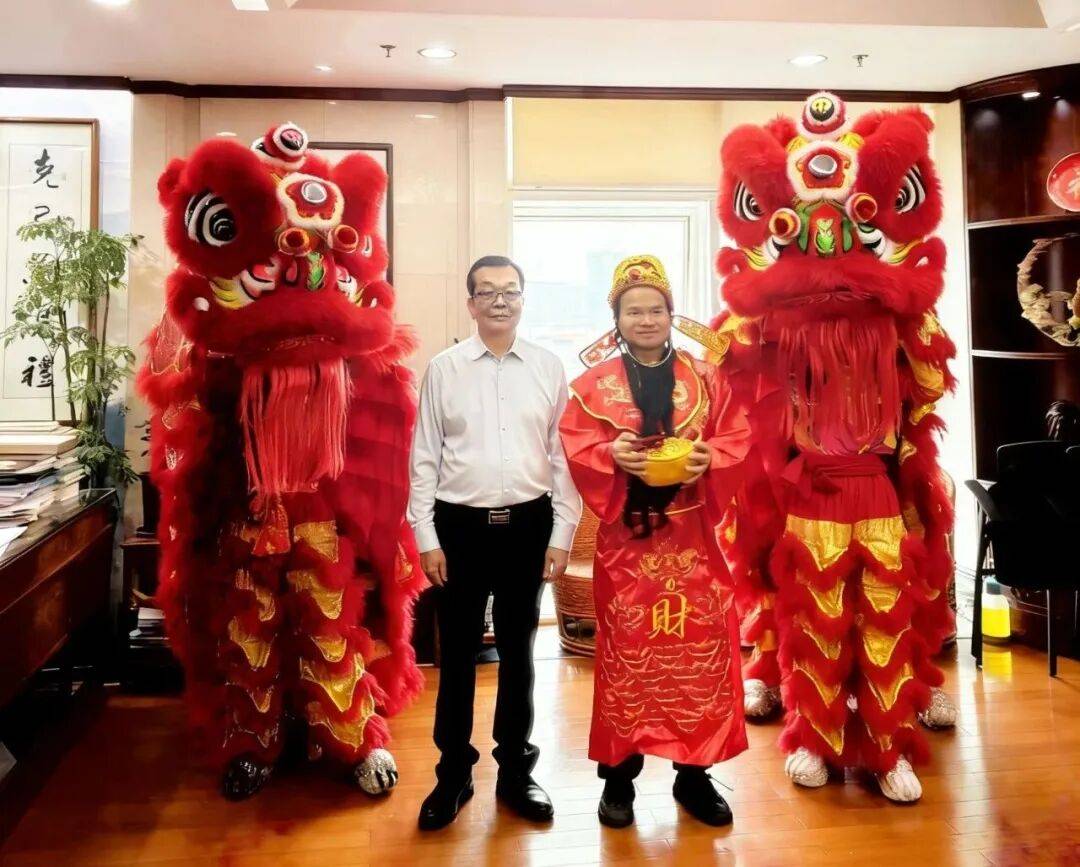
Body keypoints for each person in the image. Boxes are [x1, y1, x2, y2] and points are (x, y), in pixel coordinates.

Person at [558, 254, 750, 829]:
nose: (646, 320)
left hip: (693, 541)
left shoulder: (708, 378)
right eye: (633, 311)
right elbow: (575, 445)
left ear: (672, 314)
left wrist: (709, 457)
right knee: (628, 663)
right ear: (616, 319)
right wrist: (608, 454)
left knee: (699, 660)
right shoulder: (593, 386)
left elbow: (737, 438)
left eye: (656, 310)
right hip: (628, 548)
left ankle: (695, 775)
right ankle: (618, 780)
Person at [408, 255, 581, 830]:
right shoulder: (444, 369)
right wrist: (427, 536)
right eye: (487, 292)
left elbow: (562, 459)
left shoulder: (548, 367)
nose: (500, 300)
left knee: (519, 652)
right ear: (471, 303)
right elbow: (424, 458)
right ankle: (453, 774)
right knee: (457, 655)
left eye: (510, 290)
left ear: (523, 299)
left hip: (528, 527)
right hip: (458, 529)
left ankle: (516, 772)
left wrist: (561, 534)